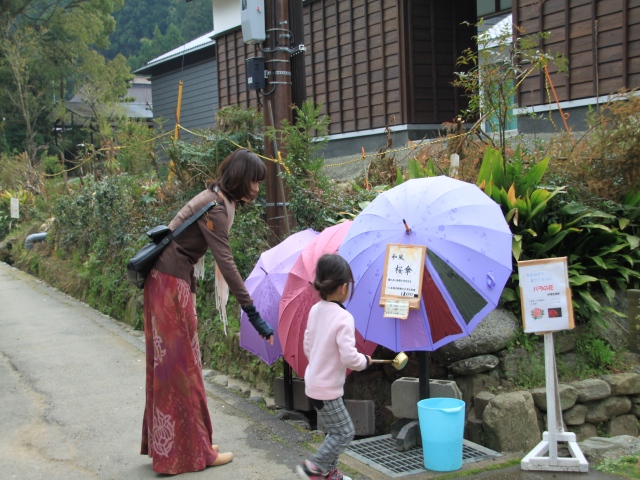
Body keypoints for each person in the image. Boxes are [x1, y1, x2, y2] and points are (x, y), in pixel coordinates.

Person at [140, 148, 274, 475]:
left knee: (178, 367)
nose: (256, 189)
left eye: (259, 183)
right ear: (239, 179)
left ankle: (188, 444)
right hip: (169, 286)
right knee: (181, 370)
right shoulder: (216, 208)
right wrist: (253, 314)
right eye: (253, 182)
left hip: (167, 282)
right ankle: (187, 453)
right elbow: (225, 263)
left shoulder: (214, 198)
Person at [297, 254, 372, 480]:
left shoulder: (315, 310)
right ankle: (315, 467)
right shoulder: (343, 318)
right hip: (327, 389)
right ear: (342, 288)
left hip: (313, 384)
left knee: (334, 431)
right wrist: (365, 361)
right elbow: (350, 358)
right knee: (344, 432)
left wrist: (323, 360)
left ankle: (331, 474)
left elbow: (308, 345)